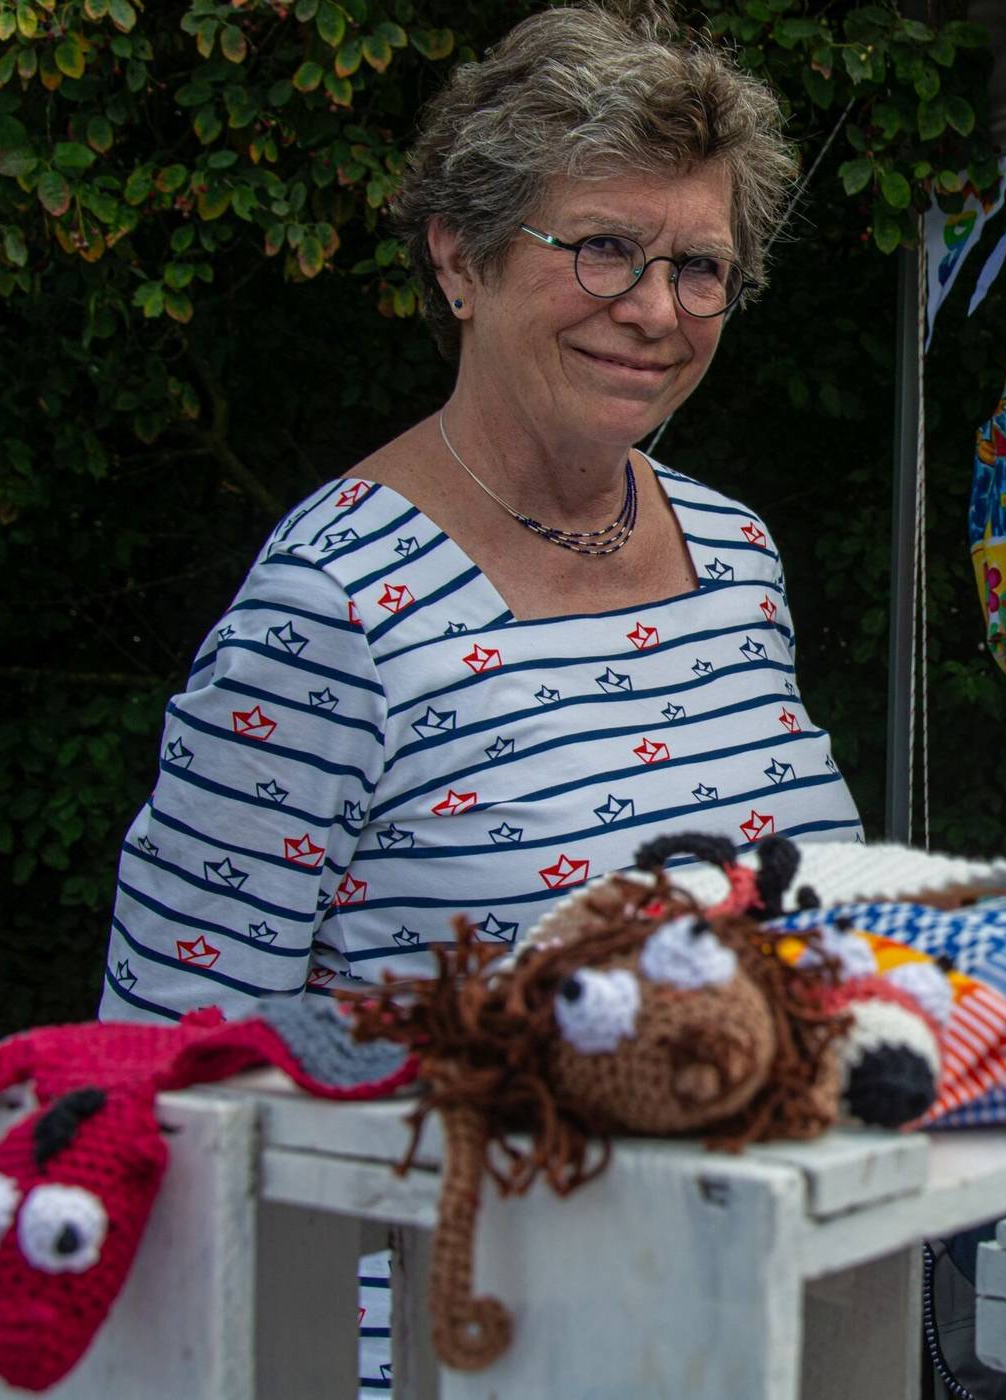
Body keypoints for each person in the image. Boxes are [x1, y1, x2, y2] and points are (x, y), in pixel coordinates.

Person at [98, 1, 861, 1025]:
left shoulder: (735, 552)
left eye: (699, 267)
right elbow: (169, 1055)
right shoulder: (331, 610)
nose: (655, 310)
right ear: (460, 258)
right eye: (603, 246)